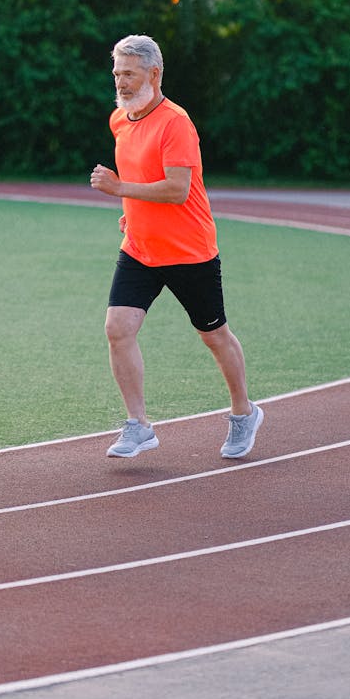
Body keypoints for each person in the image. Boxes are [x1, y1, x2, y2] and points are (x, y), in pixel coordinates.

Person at [90, 34, 263, 460]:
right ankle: (138, 425)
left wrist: (117, 189)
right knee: (118, 329)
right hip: (140, 250)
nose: (121, 82)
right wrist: (131, 210)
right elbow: (142, 174)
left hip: (190, 252)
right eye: (116, 73)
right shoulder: (120, 119)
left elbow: (177, 189)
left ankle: (244, 413)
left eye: (128, 73)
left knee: (214, 335)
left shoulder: (176, 122)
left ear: (154, 73)